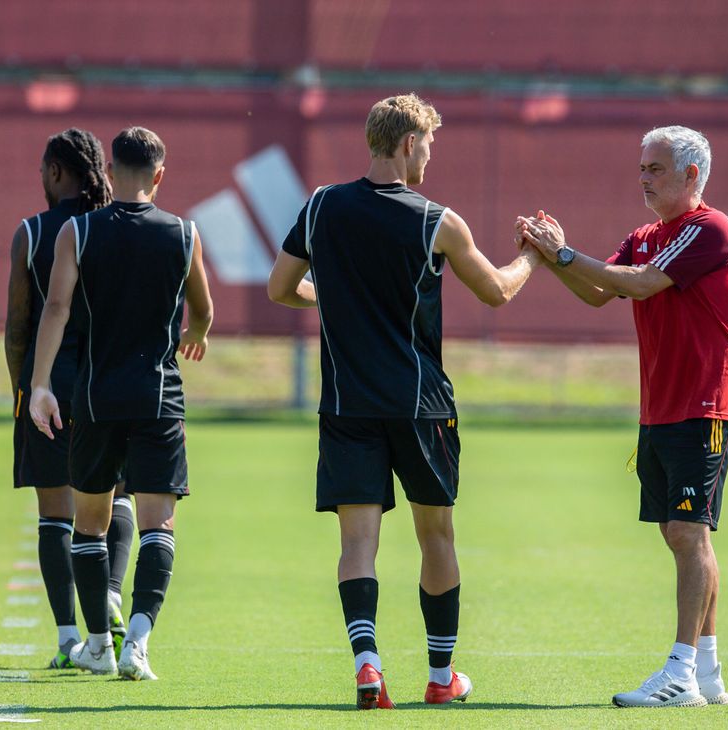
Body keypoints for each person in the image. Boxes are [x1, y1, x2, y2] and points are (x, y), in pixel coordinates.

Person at [267, 93, 542, 709]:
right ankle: (442, 677)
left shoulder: (321, 206)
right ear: (409, 143)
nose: (430, 159)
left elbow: (280, 288)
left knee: (357, 543)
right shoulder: (436, 220)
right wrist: (532, 256)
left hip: (346, 404)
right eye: (429, 146)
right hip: (420, 407)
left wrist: (332, 295)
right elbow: (497, 292)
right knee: (436, 537)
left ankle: (368, 667)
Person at [517, 125, 728, 708]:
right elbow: (599, 292)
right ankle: (709, 672)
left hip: (704, 403)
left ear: (692, 174)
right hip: (660, 407)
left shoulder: (709, 229)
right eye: (642, 168)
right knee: (682, 533)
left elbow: (641, 285)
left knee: (690, 533)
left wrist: (565, 253)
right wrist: (551, 256)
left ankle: (681, 672)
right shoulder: (645, 233)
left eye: (656, 169)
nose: (643, 178)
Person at [29, 126, 213, 679]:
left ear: (109, 173)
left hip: (95, 398)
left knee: (88, 525)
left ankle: (97, 646)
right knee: (160, 524)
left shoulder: (78, 234)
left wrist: (40, 385)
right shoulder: (184, 233)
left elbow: (56, 309)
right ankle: (137, 641)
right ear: (160, 175)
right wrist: (194, 333)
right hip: (160, 398)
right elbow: (203, 311)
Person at [4, 128, 136, 669]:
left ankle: (66, 639)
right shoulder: (113, 229)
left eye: (42, 169)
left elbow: (18, 326)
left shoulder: (32, 234)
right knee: (119, 498)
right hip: (110, 386)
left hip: (51, 389)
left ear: (57, 172)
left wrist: (25, 388)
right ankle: (107, 591)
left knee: (55, 514)